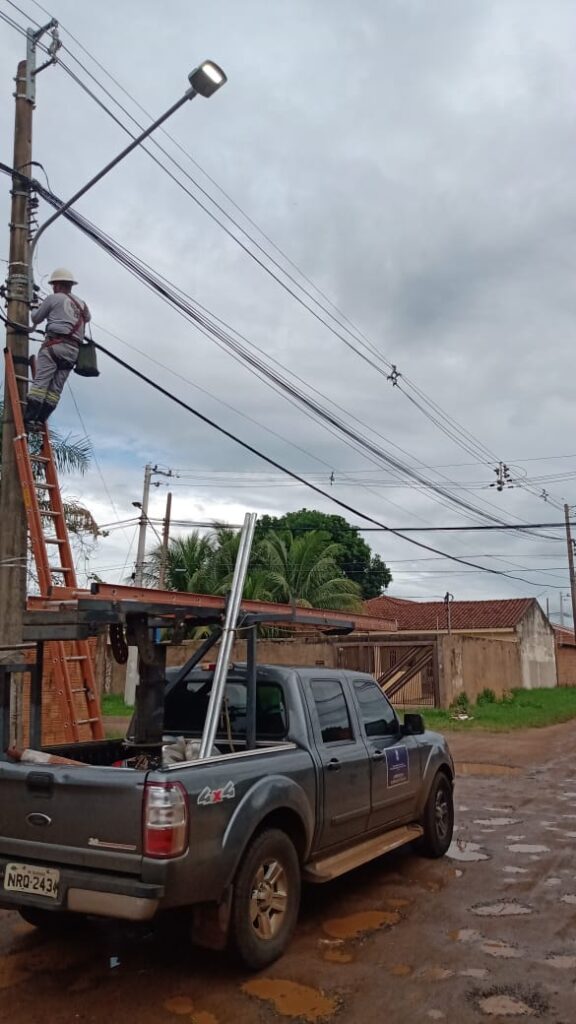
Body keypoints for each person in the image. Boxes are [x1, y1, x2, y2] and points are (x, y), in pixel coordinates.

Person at [23, 268, 90, 431]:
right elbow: (87, 318)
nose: (53, 288)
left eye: (54, 285)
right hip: (73, 353)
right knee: (55, 390)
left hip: (54, 346)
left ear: (58, 285)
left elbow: (36, 317)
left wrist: (34, 306)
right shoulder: (82, 305)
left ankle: (29, 419)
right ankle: (40, 421)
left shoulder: (53, 298)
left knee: (40, 384)